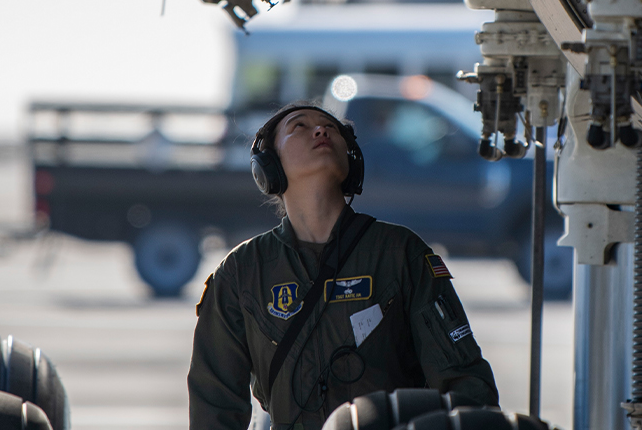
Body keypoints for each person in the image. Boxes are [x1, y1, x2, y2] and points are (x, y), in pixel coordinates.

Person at [188, 102, 498, 430]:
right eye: (299, 126)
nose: (321, 130)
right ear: (269, 166)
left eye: (331, 128)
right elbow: (214, 411)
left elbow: (467, 389)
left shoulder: (400, 253)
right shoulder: (241, 273)